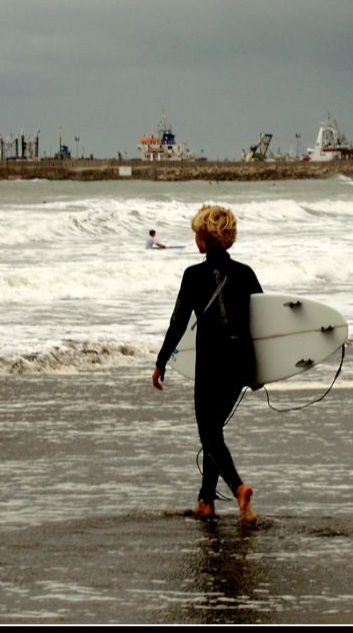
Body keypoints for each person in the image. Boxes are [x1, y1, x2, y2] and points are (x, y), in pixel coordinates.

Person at [152, 205, 262, 523]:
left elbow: (178, 323)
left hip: (211, 363)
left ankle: (239, 488)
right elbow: (265, 323)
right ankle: (206, 502)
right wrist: (259, 371)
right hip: (239, 364)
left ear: (203, 238)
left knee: (209, 433)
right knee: (214, 432)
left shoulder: (193, 275)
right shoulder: (245, 273)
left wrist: (161, 361)